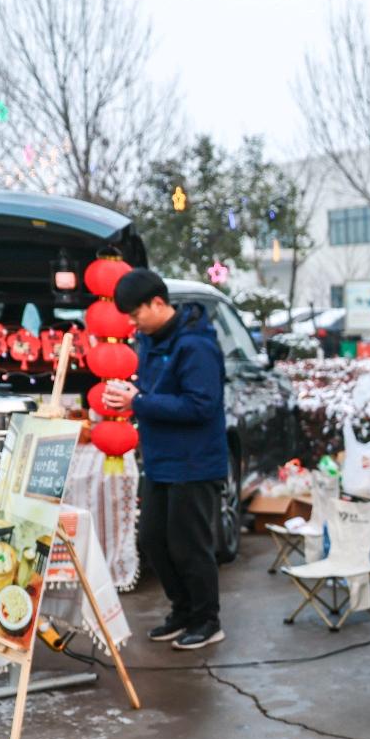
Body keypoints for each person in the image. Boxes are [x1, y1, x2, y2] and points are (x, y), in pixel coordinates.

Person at [102, 267, 228, 650]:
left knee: (189, 544)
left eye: (136, 313)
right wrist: (135, 392)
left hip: (194, 462)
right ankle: (183, 611)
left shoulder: (196, 345)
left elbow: (201, 405)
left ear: (158, 303)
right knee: (154, 539)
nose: (133, 322)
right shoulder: (151, 341)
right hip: (161, 461)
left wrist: (137, 401)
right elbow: (158, 393)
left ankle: (207, 620)